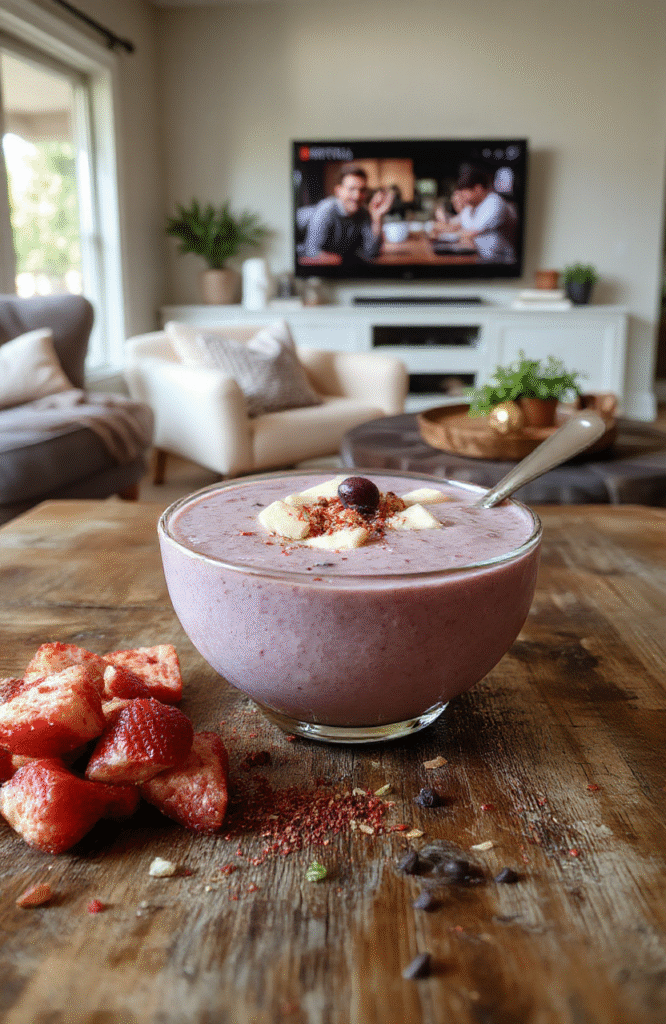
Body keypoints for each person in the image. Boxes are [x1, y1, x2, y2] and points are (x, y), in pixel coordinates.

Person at [300, 164, 393, 264]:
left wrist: (376, 217)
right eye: (351, 189)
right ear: (338, 191)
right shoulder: (326, 210)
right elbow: (312, 252)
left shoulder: (363, 212)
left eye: (362, 190)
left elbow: (371, 252)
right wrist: (347, 262)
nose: (357, 196)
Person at [451, 167, 517, 262]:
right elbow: (456, 227)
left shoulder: (494, 201)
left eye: (464, 191)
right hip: (478, 258)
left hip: (500, 262)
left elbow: (472, 232)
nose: (461, 196)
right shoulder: (471, 207)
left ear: (478, 189)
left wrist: (456, 233)